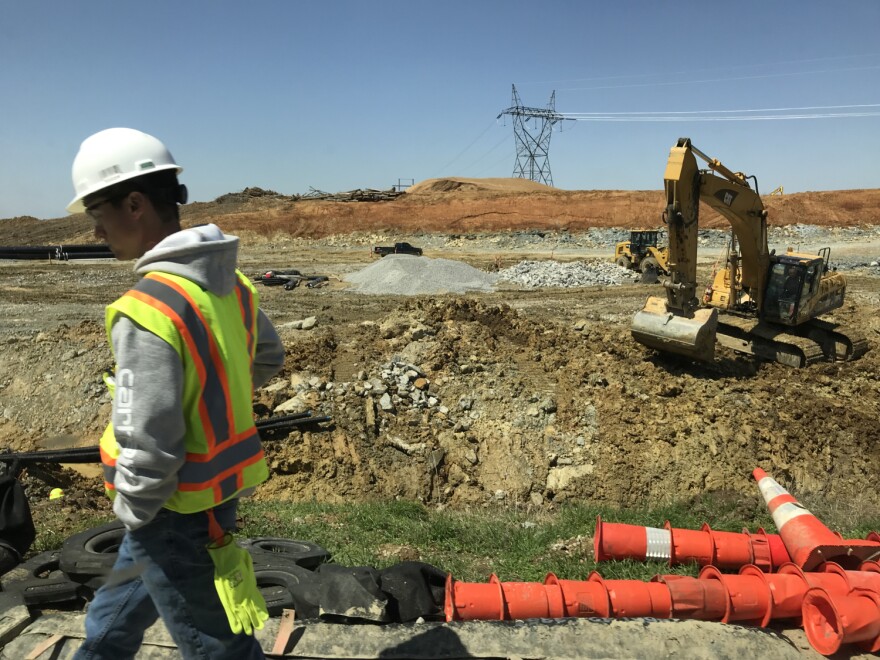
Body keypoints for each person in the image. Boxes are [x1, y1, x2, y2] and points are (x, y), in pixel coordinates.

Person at [67, 128, 284, 659]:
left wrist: (134, 505)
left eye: (99, 211)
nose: (96, 230)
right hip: (211, 493)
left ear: (135, 203)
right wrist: (211, 395)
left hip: (170, 504)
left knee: (214, 643)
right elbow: (266, 358)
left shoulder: (148, 309)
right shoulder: (229, 284)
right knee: (111, 618)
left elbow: (151, 430)